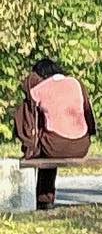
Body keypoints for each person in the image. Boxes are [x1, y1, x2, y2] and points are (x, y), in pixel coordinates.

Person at [13, 57, 96, 210]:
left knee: (45, 150)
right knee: (49, 142)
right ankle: (44, 199)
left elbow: (28, 112)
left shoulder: (40, 88)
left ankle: (44, 200)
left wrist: (29, 146)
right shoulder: (76, 83)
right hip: (81, 145)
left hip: (54, 146)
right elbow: (88, 114)